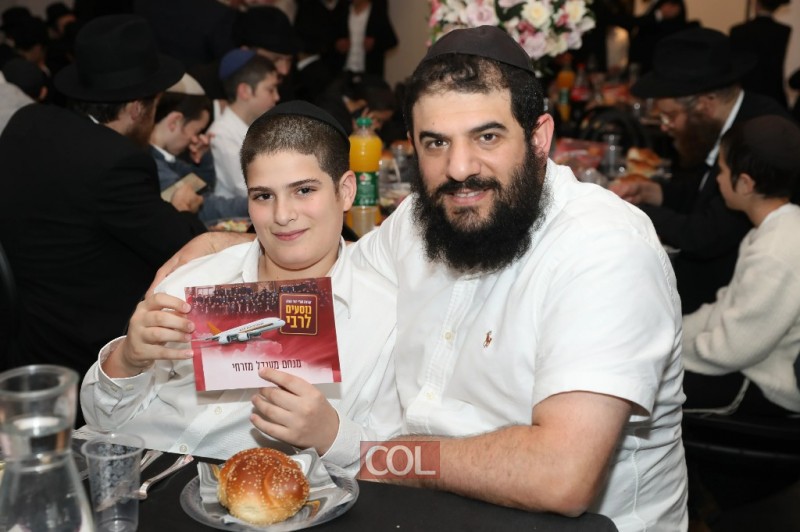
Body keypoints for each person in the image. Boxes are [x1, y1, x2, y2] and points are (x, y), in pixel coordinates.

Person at [153, 25, 688, 530]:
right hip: (416, 507)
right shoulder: (420, 218)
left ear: (539, 136)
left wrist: (362, 452)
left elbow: (560, 477)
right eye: (436, 143)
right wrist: (223, 248)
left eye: (487, 136)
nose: (460, 167)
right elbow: (334, 270)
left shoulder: (603, 248)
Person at [81, 101, 401, 470]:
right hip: (126, 470)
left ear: (345, 191)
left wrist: (332, 435)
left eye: (303, 190)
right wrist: (125, 361)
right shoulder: (194, 280)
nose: (282, 215)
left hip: (248, 493)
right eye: (263, 196)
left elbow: (398, 462)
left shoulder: (382, 318)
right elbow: (100, 420)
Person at [0, 15, 206, 381]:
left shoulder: (27, 122)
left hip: (23, 336)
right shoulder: (115, 161)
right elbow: (184, 247)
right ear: (137, 108)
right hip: (88, 349)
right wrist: (183, 210)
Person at [610, 27, 790, 314]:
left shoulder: (758, 138)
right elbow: (704, 191)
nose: (665, 127)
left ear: (706, 103)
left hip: (728, 299)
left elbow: (706, 235)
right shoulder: (718, 124)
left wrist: (631, 211)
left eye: (670, 116)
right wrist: (655, 192)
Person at [681, 115, 800, 415]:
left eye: (722, 170)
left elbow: (732, 350)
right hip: (747, 362)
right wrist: (669, 334)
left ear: (745, 183)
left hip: (766, 383)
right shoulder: (774, 227)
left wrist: (666, 354)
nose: (718, 179)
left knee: (643, 390)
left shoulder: (775, 251)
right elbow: (724, 309)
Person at [150, 91, 249, 221]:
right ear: (174, 121)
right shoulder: (153, 165)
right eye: (196, 131)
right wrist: (255, 202)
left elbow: (201, 187)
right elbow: (203, 207)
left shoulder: (166, 159)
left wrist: (203, 159)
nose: (195, 139)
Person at [209, 49, 280, 201]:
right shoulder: (222, 135)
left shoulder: (260, 127)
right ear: (245, 91)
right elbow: (247, 188)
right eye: (270, 89)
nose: (277, 97)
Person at [729, 0, 792, 108]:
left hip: (744, 94)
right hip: (772, 95)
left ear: (757, 5)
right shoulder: (783, 31)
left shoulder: (738, 31)